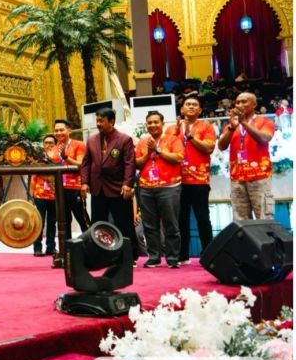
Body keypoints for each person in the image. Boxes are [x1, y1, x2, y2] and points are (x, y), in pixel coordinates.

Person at [80, 108, 138, 261]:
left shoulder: (124, 139)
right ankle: (99, 256)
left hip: (118, 188)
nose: (98, 124)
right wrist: (84, 182)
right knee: (98, 225)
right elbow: (85, 163)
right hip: (97, 189)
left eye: (101, 120)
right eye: (97, 120)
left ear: (111, 121)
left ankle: (129, 257)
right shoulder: (92, 140)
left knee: (124, 224)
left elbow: (129, 164)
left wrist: (127, 184)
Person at [167, 96, 215, 264]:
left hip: (199, 181)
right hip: (177, 181)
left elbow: (209, 148)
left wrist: (191, 136)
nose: (191, 107)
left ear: (200, 110)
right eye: (188, 104)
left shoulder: (206, 127)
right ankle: (182, 255)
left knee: (203, 218)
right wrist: (176, 133)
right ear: (182, 109)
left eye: (195, 105)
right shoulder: (172, 129)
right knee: (181, 220)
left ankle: (209, 254)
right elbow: (166, 150)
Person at [135, 111, 184, 268]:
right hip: (146, 188)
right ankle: (154, 257)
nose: (152, 125)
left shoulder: (173, 139)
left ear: (163, 124)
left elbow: (178, 158)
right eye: (149, 122)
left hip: (169, 187)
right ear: (146, 125)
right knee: (149, 225)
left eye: (156, 122)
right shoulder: (142, 142)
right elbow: (137, 164)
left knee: (171, 224)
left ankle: (172, 258)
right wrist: (148, 153)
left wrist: (158, 150)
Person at [217, 92, 276, 220]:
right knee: (241, 220)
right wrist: (232, 129)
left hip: (259, 176)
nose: (240, 104)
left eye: (244, 101)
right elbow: (221, 146)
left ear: (254, 104)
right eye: (237, 102)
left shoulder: (265, 121)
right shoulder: (231, 125)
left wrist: (243, 122)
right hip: (237, 177)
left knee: (264, 217)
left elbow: (264, 139)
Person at [52, 119, 88, 234]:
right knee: (64, 220)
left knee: (82, 218)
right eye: (56, 130)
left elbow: (81, 165)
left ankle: (89, 247)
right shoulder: (53, 148)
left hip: (75, 188)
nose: (58, 133)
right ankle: (66, 249)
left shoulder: (79, 144)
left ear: (69, 130)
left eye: (61, 130)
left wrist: (66, 157)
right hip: (59, 189)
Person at [29, 135, 58, 256]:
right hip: (39, 195)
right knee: (38, 222)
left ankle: (51, 247)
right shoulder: (38, 159)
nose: (49, 145)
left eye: (51, 143)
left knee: (52, 222)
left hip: (54, 196)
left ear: (55, 144)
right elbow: (33, 179)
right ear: (43, 144)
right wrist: (30, 198)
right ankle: (37, 248)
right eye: (46, 142)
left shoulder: (58, 159)